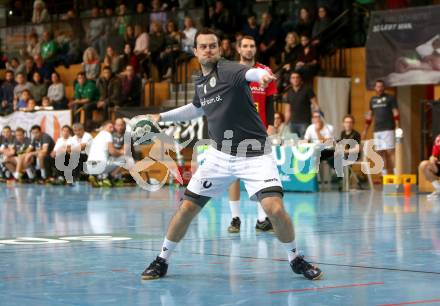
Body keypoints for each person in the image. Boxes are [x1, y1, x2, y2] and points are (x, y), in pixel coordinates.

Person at [139, 29, 322, 281]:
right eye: (203, 46)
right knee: (186, 208)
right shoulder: (201, 81)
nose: (208, 50)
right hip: (219, 156)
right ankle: (161, 260)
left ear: (219, 49)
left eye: (213, 45)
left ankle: (295, 258)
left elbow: (251, 73)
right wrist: (162, 117)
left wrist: (263, 75)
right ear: (195, 51)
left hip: (255, 153)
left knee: (275, 209)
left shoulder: (229, 70)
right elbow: (195, 108)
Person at [227, 35, 277, 233]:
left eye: (252, 46)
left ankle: (262, 219)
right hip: (235, 129)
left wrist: (271, 124)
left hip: (259, 130)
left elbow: (271, 100)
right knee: (234, 175)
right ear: (239, 49)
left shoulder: (265, 71)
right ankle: (235, 218)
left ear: (255, 49)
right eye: (245, 46)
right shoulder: (231, 72)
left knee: (261, 173)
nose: (249, 49)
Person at [362, 79, 400, 174]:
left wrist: (397, 126)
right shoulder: (372, 100)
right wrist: (365, 130)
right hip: (377, 130)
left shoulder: (390, 98)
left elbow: (396, 112)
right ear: (375, 88)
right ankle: (385, 178)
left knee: (390, 152)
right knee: (380, 153)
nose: (379, 88)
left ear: (384, 88)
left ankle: (396, 177)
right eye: (377, 86)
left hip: (388, 129)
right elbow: (370, 116)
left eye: (381, 86)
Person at [283, 72, 319, 138]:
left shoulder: (308, 89)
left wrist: (318, 116)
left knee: (304, 143)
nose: (295, 79)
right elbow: (287, 110)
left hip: (305, 122)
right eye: (293, 78)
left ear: (300, 79)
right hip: (292, 123)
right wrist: (285, 123)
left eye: (297, 77)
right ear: (290, 80)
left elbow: (315, 105)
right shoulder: (289, 92)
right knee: (293, 143)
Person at [419, 135, 440, 200]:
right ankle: (439, 189)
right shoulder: (439, 139)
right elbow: (433, 155)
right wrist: (433, 159)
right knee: (424, 165)